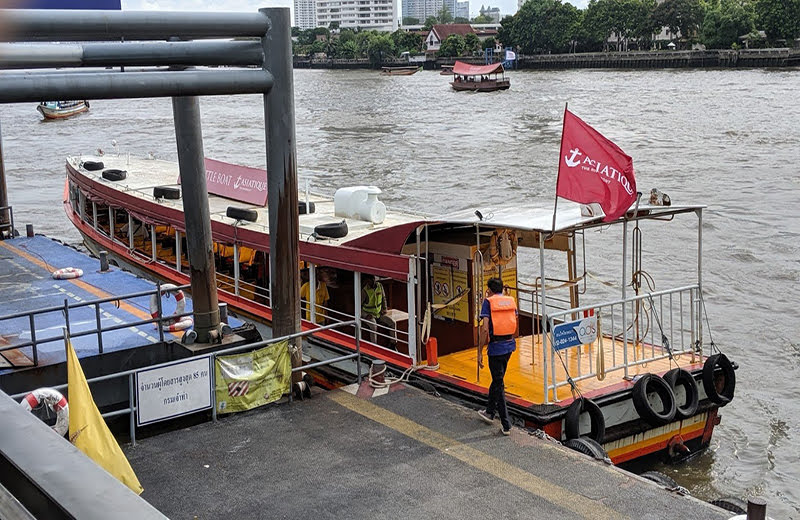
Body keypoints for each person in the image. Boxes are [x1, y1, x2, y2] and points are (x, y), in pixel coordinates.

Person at [477, 277, 518, 435]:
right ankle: (489, 412)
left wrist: (480, 351)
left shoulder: (488, 302)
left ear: (490, 290)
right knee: (497, 380)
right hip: (509, 346)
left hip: (495, 348)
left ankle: (506, 424)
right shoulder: (510, 301)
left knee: (499, 384)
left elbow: (485, 329)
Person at [361, 274, 397, 349]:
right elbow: (359, 306)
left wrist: (385, 309)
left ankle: (393, 344)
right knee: (373, 326)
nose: (373, 281)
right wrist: (365, 315)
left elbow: (383, 298)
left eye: (373, 278)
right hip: (369, 315)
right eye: (370, 279)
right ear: (367, 281)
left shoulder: (380, 286)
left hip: (379, 314)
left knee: (392, 323)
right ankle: (374, 347)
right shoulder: (364, 291)